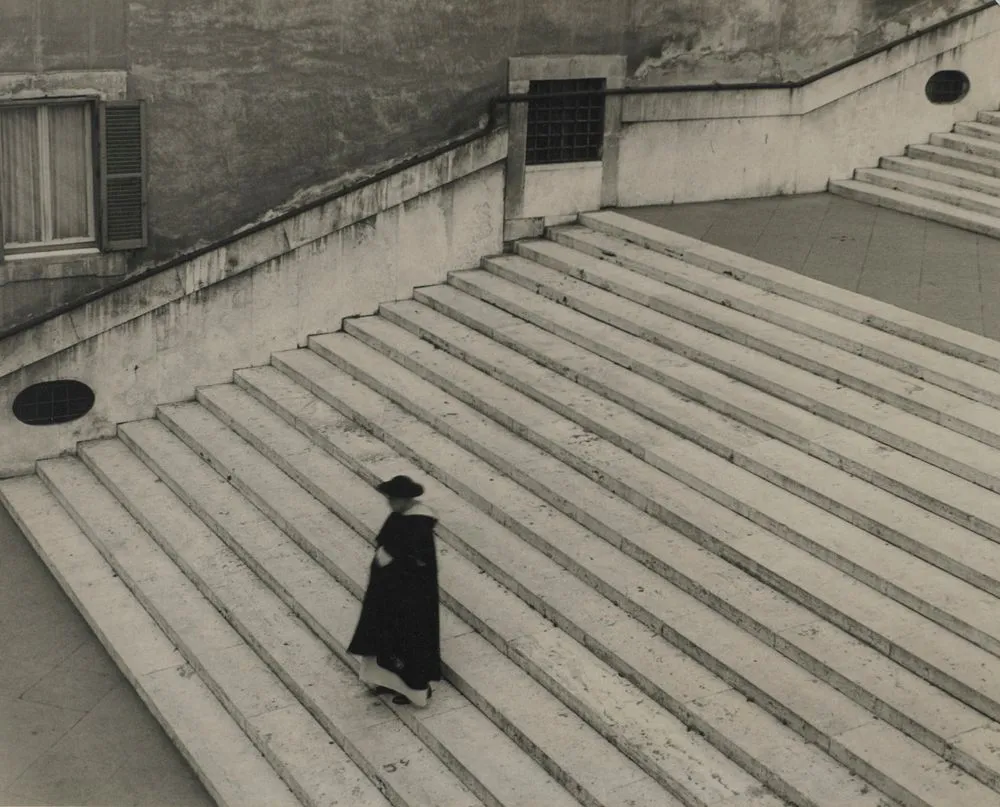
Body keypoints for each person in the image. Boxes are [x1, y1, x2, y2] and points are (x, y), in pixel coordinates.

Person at [347, 474, 442, 706]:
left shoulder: (418, 524)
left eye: (393, 499)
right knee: (385, 636)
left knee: (407, 640)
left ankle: (416, 690)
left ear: (405, 499)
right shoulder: (401, 516)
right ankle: (387, 680)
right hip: (389, 594)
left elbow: (416, 563)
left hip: (408, 598)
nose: (389, 503)